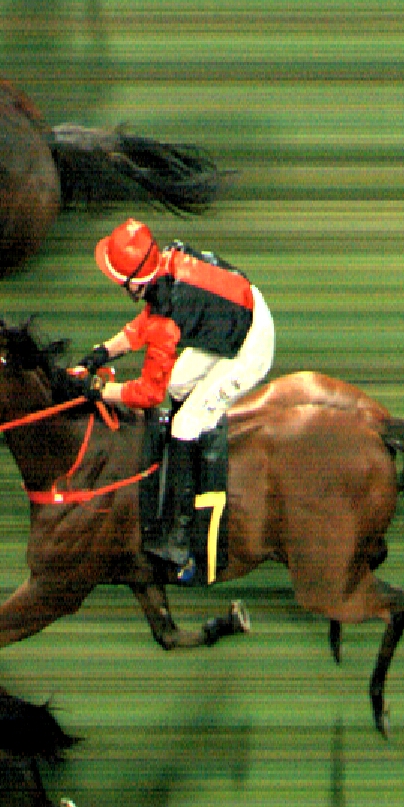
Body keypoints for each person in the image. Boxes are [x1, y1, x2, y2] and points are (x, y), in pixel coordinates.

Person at [68, 218, 275, 579]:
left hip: (249, 345)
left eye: (120, 281)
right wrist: (101, 353)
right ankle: (186, 457)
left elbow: (148, 393)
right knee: (180, 384)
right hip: (234, 313)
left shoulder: (168, 316)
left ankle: (180, 539)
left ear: (136, 284)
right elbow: (146, 324)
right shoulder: (165, 263)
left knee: (184, 424)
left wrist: (101, 390)